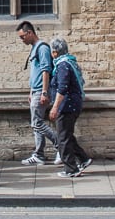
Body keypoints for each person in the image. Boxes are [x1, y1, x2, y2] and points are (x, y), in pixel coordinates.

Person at [47, 37, 91, 178]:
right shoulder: (69, 62)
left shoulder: (62, 65)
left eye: (52, 51)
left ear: (55, 52)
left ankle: (71, 168)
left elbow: (63, 88)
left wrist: (54, 108)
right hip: (71, 105)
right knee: (67, 135)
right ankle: (83, 158)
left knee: (63, 138)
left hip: (67, 106)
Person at [17, 21, 59, 166]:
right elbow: (34, 72)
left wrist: (44, 92)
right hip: (35, 91)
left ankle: (60, 145)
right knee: (37, 124)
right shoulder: (35, 48)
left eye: (22, 37)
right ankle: (39, 154)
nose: (22, 40)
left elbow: (45, 71)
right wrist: (31, 91)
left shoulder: (42, 48)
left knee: (37, 123)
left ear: (30, 33)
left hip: (41, 91)